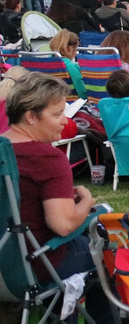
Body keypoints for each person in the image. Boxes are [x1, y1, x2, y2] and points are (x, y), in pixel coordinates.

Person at [2, 72, 96, 279]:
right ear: (31, 117)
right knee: (105, 247)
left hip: (4, 263)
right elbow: (63, 225)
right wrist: (87, 201)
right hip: (32, 266)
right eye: (57, 114)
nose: (65, 121)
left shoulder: (4, 150)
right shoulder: (48, 159)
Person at [47, 30, 87, 100]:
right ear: (71, 48)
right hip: (72, 104)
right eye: (76, 49)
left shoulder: (47, 62)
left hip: (50, 101)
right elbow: (81, 91)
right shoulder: (69, 66)